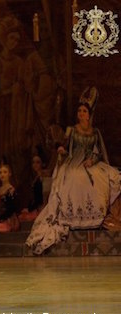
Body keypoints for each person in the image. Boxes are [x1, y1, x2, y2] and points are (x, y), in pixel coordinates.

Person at [26, 87, 121, 254]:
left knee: (110, 177)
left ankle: (99, 216)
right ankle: (74, 217)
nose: (81, 114)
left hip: (90, 163)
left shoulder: (95, 132)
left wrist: (92, 159)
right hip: (74, 161)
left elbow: (99, 152)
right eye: (80, 111)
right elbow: (63, 145)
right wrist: (61, 149)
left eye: (84, 111)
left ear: (89, 114)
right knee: (76, 178)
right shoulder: (72, 130)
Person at [18, 148, 50, 222]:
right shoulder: (37, 178)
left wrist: (30, 209)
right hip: (37, 207)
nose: (35, 165)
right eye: (33, 162)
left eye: (38, 162)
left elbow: (42, 198)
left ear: (43, 163)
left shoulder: (43, 178)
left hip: (42, 208)